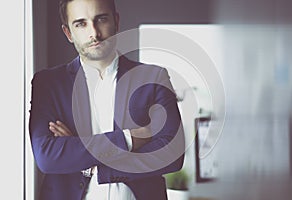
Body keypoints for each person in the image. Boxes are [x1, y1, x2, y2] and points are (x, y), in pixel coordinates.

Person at [29, 0, 185, 199]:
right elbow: (47, 157)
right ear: (68, 33)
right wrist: (128, 138)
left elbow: (172, 155)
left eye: (101, 19)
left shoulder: (153, 77)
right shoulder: (48, 83)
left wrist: (90, 164)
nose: (94, 32)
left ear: (116, 21)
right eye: (81, 24)